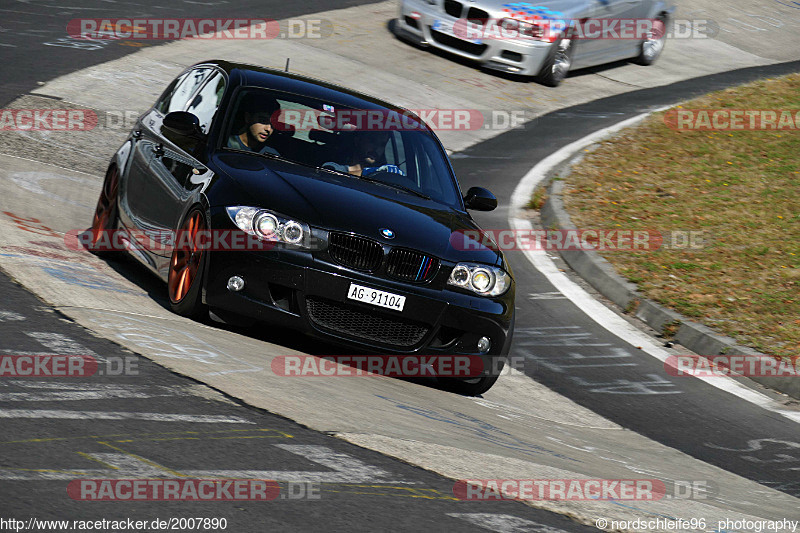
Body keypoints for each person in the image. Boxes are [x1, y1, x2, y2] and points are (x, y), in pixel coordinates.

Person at [322, 130, 405, 177]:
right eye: (372, 141)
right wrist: (371, 173)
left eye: (382, 145)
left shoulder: (383, 179)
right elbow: (328, 173)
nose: (376, 148)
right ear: (357, 141)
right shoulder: (334, 167)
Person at [227, 92, 281, 156]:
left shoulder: (271, 155)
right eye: (263, 121)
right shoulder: (226, 144)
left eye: (273, 124)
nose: (268, 129)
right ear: (248, 118)